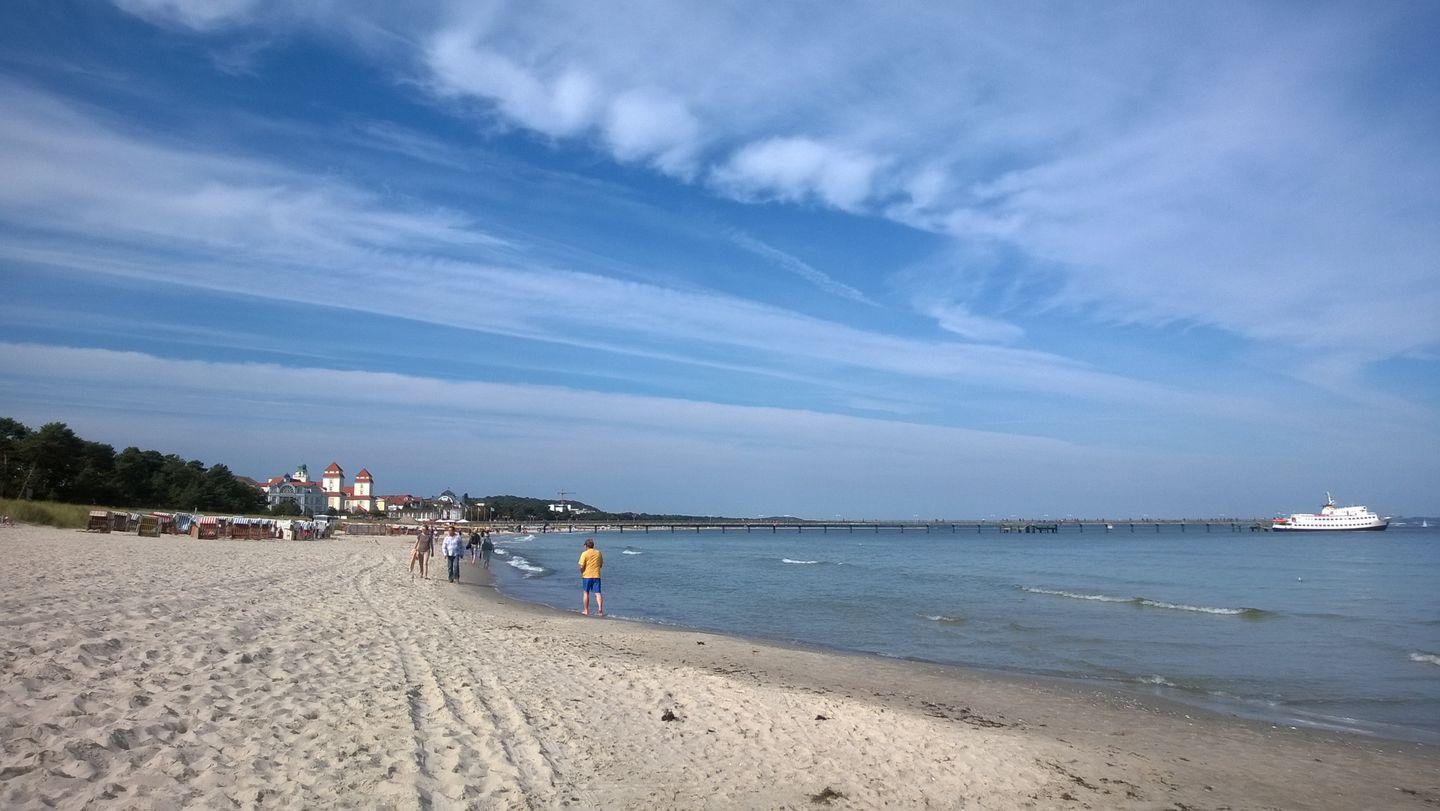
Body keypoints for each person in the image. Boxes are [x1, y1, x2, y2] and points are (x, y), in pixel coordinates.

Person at [578, 538, 603, 616]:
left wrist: (581, 572)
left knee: (586, 593)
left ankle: (586, 610)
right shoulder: (598, 553)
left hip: (587, 576)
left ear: (586, 546)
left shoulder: (584, 554)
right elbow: (601, 565)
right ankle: (600, 609)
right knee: (598, 593)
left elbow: (581, 566)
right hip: (596, 575)